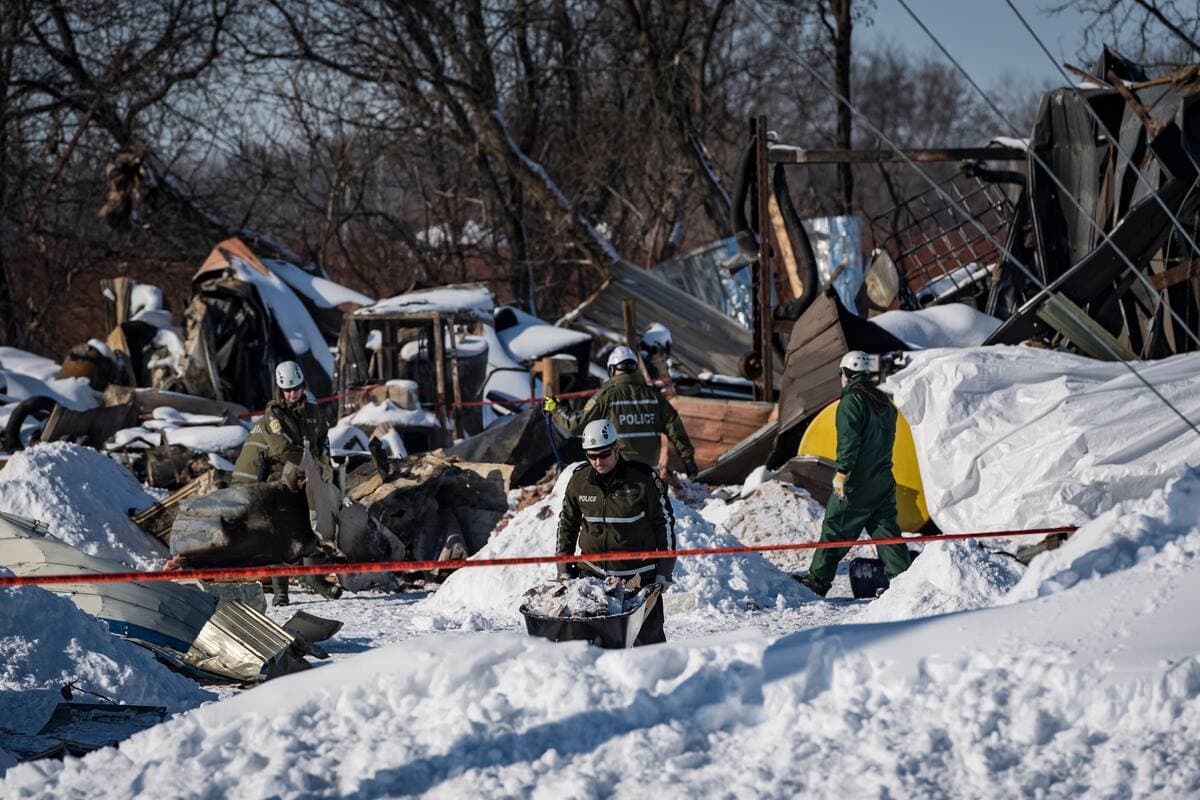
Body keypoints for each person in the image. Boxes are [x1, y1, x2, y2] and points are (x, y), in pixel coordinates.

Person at [799, 351, 911, 597]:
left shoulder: (852, 401)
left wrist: (842, 472)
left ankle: (817, 582)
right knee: (886, 531)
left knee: (835, 528)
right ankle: (905, 582)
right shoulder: (884, 403)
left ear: (845, 374)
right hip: (882, 480)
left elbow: (849, 441)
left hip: (857, 483)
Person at [555, 419, 675, 645]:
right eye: (591, 456)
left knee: (647, 643)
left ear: (617, 448)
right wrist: (563, 569)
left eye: (603, 454)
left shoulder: (642, 479)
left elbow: (664, 522)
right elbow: (567, 524)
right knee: (590, 644)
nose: (597, 461)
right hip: (592, 577)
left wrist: (665, 570)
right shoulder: (579, 480)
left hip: (639, 579)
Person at [232, 360, 340, 605]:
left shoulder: (313, 413)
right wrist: (308, 461)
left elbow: (322, 438)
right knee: (279, 537)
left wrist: (323, 462)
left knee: (312, 530)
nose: (292, 393)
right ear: (279, 390)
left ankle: (313, 579)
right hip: (278, 482)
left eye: (297, 388)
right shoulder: (273, 416)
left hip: (306, 481)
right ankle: (281, 591)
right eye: (287, 390)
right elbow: (281, 449)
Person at [545, 345, 699, 480]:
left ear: (611, 369)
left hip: (618, 472)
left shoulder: (607, 396)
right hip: (649, 472)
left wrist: (555, 408)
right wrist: (689, 460)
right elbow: (675, 429)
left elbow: (576, 425)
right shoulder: (654, 396)